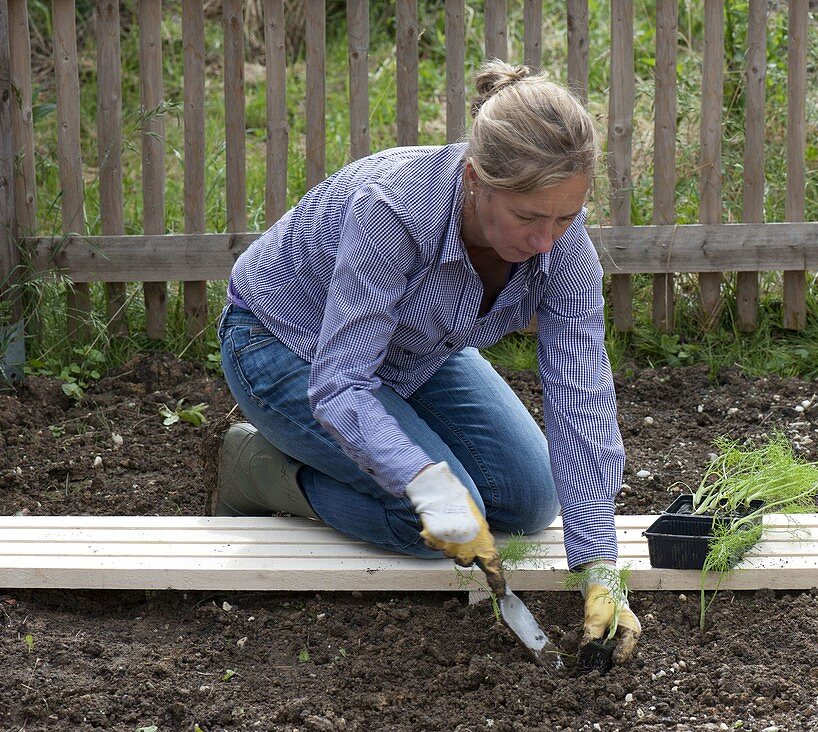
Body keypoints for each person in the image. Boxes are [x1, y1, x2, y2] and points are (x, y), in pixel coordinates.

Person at [211, 60, 640, 664]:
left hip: (411, 352)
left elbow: (581, 400)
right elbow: (341, 387)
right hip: (283, 343)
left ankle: (387, 450)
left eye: (565, 217)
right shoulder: (393, 210)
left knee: (530, 498)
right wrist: (427, 480)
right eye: (527, 218)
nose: (548, 240)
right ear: (476, 179)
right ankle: (258, 470)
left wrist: (599, 566)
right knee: (441, 512)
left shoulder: (564, 252)